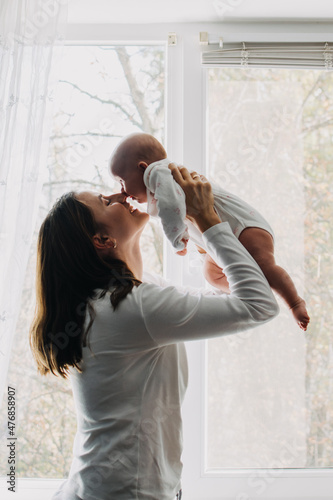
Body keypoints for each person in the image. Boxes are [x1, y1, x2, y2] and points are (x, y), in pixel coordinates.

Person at [30, 166, 279, 500]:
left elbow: (233, 301)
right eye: (107, 201)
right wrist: (207, 218)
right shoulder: (130, 306)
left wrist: (202, 235)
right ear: (103, 240)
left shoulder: (130, 295)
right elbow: (259, 305)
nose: (120, 195)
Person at [109, 133, 310, 331]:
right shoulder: (159, 181)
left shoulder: (159, 175)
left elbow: (170, 210)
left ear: (143, 168)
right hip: (222, 234)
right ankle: (257, 288)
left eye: (121, 180)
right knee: (212, 275)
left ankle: (294, 302)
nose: (121, 191)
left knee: (265, 264)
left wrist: (177, 239)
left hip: (241, 226)